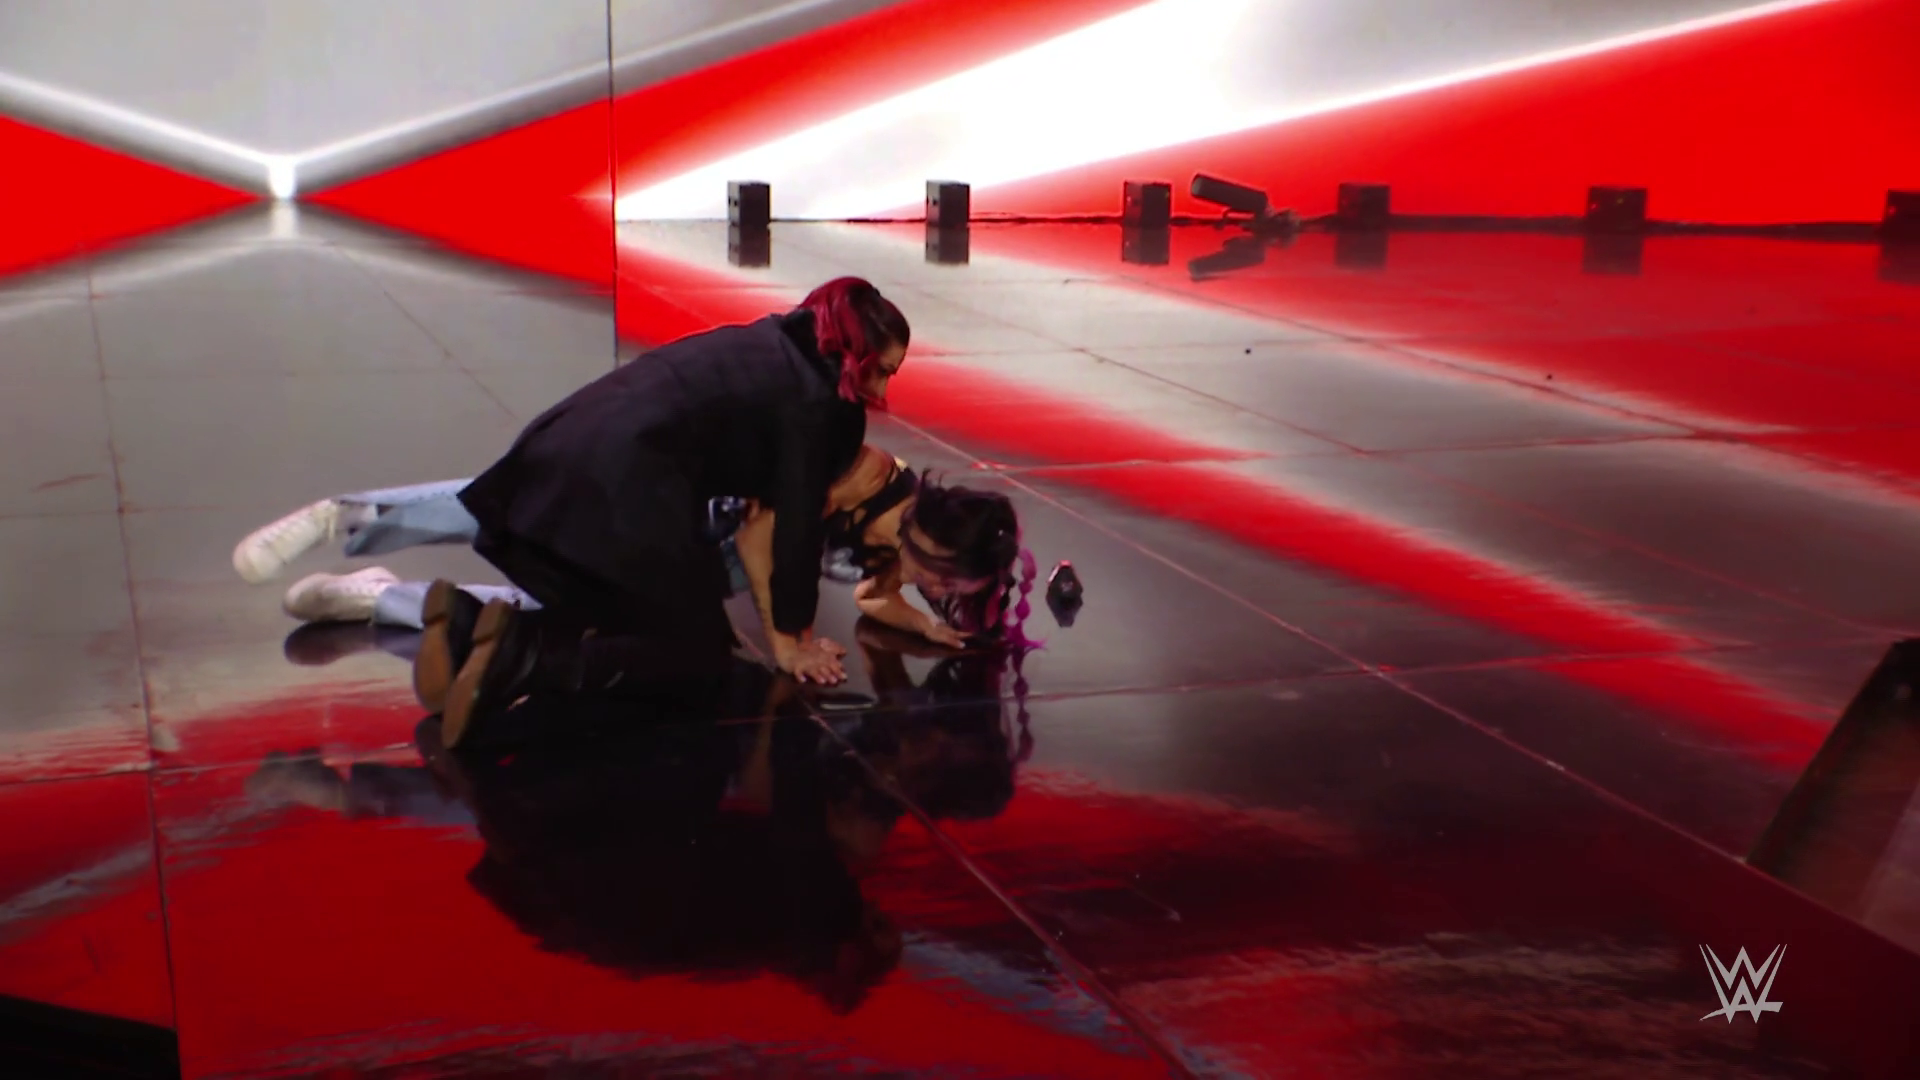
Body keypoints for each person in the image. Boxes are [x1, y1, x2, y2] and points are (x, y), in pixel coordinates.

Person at [230, 277, 910, 691]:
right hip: (639, 481)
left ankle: (351, 524)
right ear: (851, 355)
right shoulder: (821, 408)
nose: (882, 392)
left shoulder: (779, 340)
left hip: (584, 424)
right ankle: (391, 600)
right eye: (879, 371)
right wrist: (789, 639)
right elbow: (791, 529)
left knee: (499, 506)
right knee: (600, 611)